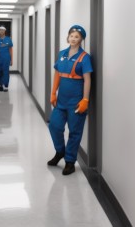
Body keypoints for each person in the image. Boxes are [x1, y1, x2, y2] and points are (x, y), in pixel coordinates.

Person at [47, 25, 93, 175]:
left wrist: (85, 99)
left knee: (75, 132)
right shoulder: (62, 54)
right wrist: (53, 92)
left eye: (77, 37)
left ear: (81, 39)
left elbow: (87, 79)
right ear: (68, 37)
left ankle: (70, 161)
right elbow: (57, 74)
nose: (73, 39)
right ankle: (60, 151)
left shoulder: (84, 57)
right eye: (71, 36)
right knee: (54, 126)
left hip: (76, 102)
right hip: (61, 101)